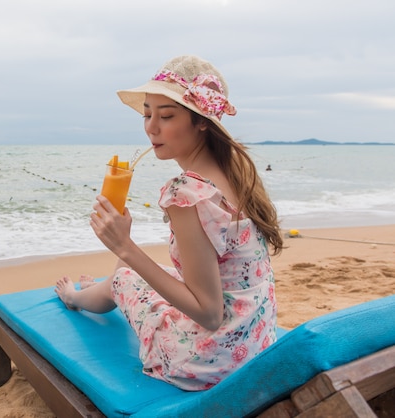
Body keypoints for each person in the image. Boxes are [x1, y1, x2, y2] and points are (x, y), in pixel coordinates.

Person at [55, 55, 284, 391]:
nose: (151, 127)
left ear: (202, 122)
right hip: (254, 342)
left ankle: (76, 298)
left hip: (208, 362)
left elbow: (208, 314)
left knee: (124, 275)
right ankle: (95, 290)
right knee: (137, 271)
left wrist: (124, 245)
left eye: (166, 116)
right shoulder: (238, 172)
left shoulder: (186, 193)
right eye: (148, 114)